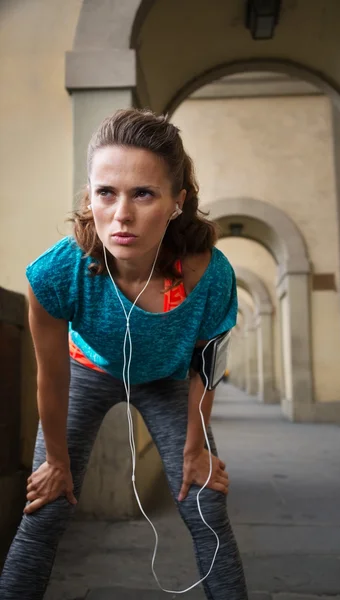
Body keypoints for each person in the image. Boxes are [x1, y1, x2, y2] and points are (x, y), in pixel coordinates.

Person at [0, 109, 248, 600]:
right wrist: (55, 460)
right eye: (106, 193)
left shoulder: (211, 273)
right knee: (46, 504)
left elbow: (207, 363)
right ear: (89, 196)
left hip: (169, 379)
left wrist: (196, 449)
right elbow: (50, 376)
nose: (122, 214)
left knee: (207, 504)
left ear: (176, 203)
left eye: (144, 194)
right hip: (86, 369)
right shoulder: (55, 273)